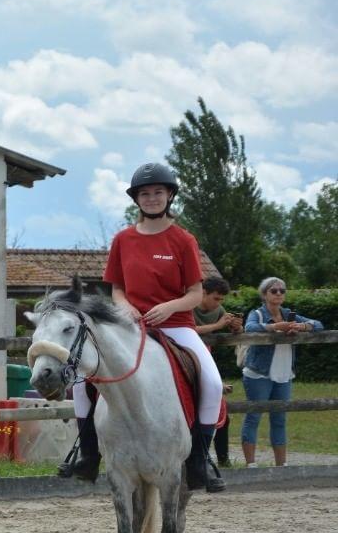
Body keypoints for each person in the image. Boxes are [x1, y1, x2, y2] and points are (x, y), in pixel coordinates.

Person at [59, 162, 225, 492]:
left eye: (158, 193)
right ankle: (87, 452)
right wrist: (126, 308)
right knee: (82, 381)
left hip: (176, 325)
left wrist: (168, 307)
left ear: (169, 196)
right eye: (145, 194)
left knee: (213, 382)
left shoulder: (183, 240)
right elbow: (117, 289)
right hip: (132, 326)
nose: (151, 198)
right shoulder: (123, 239)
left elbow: (194, 295)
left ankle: (200, 459)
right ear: (137, 199)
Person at [240, 277, 323, 468]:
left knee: (279, 418)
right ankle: (251, 465)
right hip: (259, 374)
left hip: (284, 374)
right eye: (274, 290)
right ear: (264, 294)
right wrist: (274, 327)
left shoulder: (289, 314)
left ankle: (281, 465)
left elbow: (318, 324)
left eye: (282, 291)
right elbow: (250, 327)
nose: (278, 293)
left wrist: (301, 327)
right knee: (254, 415)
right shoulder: (257, 313)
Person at [193, 276, 242, 467]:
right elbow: (190, 329)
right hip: (189, 360)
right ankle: (200, 459)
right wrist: (218, 326)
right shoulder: (188, 307)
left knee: (222, 416)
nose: (219, 303)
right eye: (216, 298)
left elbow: (232, 330)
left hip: (205, 362)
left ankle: (222, 460)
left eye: (221, 300)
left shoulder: (218, 310)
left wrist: (236, 328)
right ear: (203, 293)